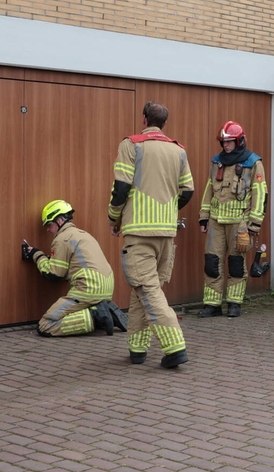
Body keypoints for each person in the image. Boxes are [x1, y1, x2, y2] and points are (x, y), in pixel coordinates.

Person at [108, 101, 194, 368]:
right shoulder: (178, 150)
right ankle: (137, 349)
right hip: (166, 234)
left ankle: (175, 347)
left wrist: (114, 217)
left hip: (139, 232)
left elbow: (121, 187)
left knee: (148, 290)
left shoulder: (131, 145)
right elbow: (187, 191)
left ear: (144, 119)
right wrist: (168, 212)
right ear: (163, 123)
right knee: (141, 291)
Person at [22, 200, 127, 337]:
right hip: (106, 288)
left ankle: (96, 316)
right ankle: (103, 310)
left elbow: (54, 274)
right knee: (77, 310)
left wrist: (36, 254)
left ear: (59, 220)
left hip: (88, 289)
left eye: (49, 224)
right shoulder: (83, 234)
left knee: (46, 325)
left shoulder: (62, 239)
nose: (48, 229)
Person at [197, 121, 268, 318]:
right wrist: (204, 217)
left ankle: (234, 303)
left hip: (240, 223)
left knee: (236, 263)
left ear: (240, 141)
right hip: (216, 222)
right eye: (223, 142)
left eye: (229, 142)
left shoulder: (253, 163)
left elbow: (260, 194)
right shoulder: (216, 162)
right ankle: (212, 304)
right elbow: (209, 189)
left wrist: (254, 224)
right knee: (212, 262)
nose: (225, 146)